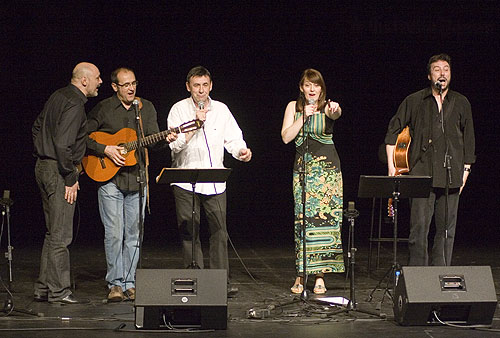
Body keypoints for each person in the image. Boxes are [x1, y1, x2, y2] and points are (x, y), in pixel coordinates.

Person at [86, 67, 177, 302]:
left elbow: (153, 142)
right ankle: (115, 283)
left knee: (134, 235)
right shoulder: (104, 108)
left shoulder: (145, 108)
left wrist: (165, 139)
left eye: (134, 83)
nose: (131, 88)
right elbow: (83, 136)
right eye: (125, 84)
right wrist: (105, 149)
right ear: (115, 87)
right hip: (109, 179)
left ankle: (129, 282)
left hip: (137, 178)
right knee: (114, 234)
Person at [167, 66, 252, 295]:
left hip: (214, 180)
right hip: (185, 180)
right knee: (189, 232)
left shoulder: (222, 110)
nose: (201, 90)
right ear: (188, 87)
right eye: (196, 85)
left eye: (205, 85)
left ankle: (218, 284)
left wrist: (241, 151)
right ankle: (194, 281)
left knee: (219, 232)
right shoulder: (178, 110)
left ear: (211, 85)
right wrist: (195, 125)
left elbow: (233, 139)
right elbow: (174, 146)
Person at [385, 53, 475, 266]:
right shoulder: (414, 100)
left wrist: (465, 174)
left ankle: (440, 277)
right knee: (419, 231)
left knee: (446, 232)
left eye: (446, 69)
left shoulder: (461, 102)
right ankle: (419, 280)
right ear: (429, 75)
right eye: (437, 69)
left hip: (451, 175)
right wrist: (392, 167)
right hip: (421, 174)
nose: (442, 73)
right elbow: (392, 132)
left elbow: (469, 141)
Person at [32, 62, 102, 304]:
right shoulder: (74, 103)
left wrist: (43, 152)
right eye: (97, 78)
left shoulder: (58, 96)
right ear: (84, 80)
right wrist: (70, 177)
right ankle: (59, 291)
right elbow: (63, 145)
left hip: (44, 168)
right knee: (61, 235)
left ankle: (43, 287)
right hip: (59, 171)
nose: (99, 82)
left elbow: (37, 127)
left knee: (53, 232)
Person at [281, 68, 345, 295]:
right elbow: (286, 137)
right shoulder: (293, 107)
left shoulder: (328, 106)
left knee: (325, 221)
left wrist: (333, 110)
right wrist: (304, 117)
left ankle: (320, 276)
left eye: (316, 86)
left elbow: (335, 114)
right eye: (308, 85)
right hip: (303, 171)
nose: (312, 89)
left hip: (327, 173)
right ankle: (300, 274)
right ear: (302, 87)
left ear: (321, 89)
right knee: (303, 222)